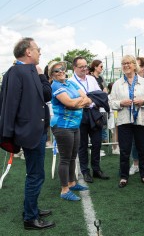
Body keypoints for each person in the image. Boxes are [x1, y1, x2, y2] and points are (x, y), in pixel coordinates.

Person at [0, 37, 55, 230]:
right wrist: (9, 135)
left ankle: (31, 209)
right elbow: (9, 105)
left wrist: (41, 76)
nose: (40, 52)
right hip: (30, 132)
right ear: (28, 52)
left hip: (36, 131)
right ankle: (30, 218)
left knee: (35, 174)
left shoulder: (28, 71)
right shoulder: (16, 72)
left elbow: (46, 94)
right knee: (35, 175)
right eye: (37, 49)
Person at [110, 55, 144, 188]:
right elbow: (111, 102)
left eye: (129, 63)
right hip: (124, 121)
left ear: (134, 65)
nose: (126, 65)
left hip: (141, 120)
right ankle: (124, 177)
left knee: (142, 148)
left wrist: (143, 101)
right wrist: (120, 103)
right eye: (123, 63)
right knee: (124, 150)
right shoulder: (117, 84)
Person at [49, 61, 91, 201]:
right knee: (65, 158)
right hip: (62, 126)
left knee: (73, 156)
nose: (61, 71)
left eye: (62, 69)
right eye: (56, 71)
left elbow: (88, 99)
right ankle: (64, 190)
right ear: (52, 75)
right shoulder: (55, 85)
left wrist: (77, 102)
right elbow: (70, 103)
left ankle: (72, 183)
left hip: (74, 126)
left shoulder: (70, 83)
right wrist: (79, 102)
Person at [68, 56, 110, 183]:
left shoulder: (91, 79)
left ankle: (96, 170)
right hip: (79, 114)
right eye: (81, 67)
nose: (84, 69)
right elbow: (74, 100)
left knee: (97, 143)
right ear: (74, 68)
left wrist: (88, 98)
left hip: (94, 113)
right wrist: (90, 98)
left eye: (85, 66)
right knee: (82, 145)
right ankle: (85, 171)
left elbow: (101, 96)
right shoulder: (70, 82)